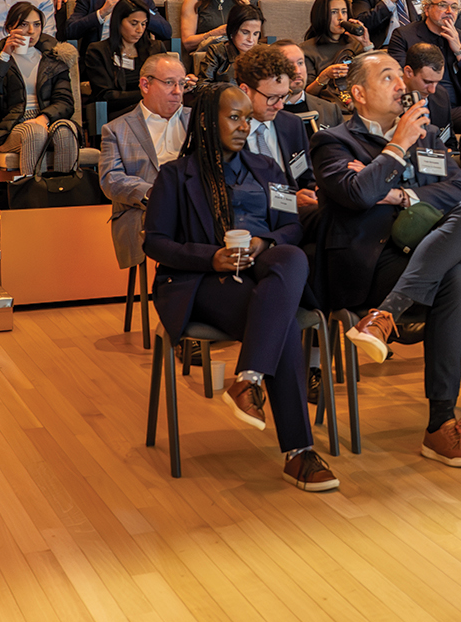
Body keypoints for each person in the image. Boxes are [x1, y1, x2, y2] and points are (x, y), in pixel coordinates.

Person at [142, 81, 333, 485]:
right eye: (234, 117)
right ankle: (299, 452)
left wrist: (266, 242)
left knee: (292, 256)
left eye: (248, 118)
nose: (245, 126)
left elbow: (292, 226)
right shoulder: (176, 175)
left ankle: (248, 379)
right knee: (282, 321)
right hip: (204, 281)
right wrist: (210, 257)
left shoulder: (267, 169)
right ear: (208, 121)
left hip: (266, 268)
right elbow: (155, 242)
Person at [313, 51, 461, 467]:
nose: (401, 85)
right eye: (387, 77)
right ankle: (440, 424)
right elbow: (357, 194)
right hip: (371, 264)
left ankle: (385, 316)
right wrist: (397, 147)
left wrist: (399, 195)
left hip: (425, 252)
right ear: (358, 94)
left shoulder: (426, 135)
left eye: (401, 77)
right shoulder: (333, 141)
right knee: (456, 280)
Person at [99, 51, 191, 285]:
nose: (178, 91)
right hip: (146, 209)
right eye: (169, 83)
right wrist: (154, 193)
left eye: (182, 83)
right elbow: (111, 180)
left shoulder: (197, 120)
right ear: (145, 85)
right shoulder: (116, 129)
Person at [0, 1, 78, 178]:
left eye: (37, 24)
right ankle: (32, 190)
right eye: (24, 24)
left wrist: (43, 118)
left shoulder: (53, 58)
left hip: (47, 120)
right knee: (34, 132)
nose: (31, 31)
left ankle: (63, 190)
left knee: (65, 129)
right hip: (12, 126)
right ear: (10, 28)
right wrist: (4, 56)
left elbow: (65, 101)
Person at [384, 0, 461, 136]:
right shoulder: (404, 35)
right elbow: (400, 78)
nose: (449, 11)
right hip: (419, 103)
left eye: (454, 7)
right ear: (427, 8)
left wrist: (459, 50)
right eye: (443, 5)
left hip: (454, 109)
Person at [233, 44, 319, 205]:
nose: (280, 106)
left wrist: (314, 192)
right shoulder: (228, 132)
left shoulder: (292, 124)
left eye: (284, 96)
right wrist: (290, 201)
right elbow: (237, 194)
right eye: (272, 98)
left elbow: (305, 176)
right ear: (245, 90)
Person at [83, 0, 167, 120]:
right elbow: (105, 95)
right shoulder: (98, 51)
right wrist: (149, 94)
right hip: (118, 114)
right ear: (118, 22)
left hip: (153, 111)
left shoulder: (156, 48)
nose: (139, 30)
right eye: (134, 23)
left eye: (143, 24)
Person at [303, 0, 369, 90]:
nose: (341, 18)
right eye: (334, 12)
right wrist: (325, 76)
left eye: (344, 12)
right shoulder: (307, 50)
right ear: (322, 16)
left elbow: (374, 76)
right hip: (326, 99)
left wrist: (366, 44)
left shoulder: (356, 44)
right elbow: (307, 93)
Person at [273, 39, 342, 129]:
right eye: (288, 65)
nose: (297, 71)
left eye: (300, 63)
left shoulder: (330, 110)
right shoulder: (266, 112)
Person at [196, 4, 264, 86]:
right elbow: (202, 86)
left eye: (256, 34)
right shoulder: (217, 52)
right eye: (245, 33)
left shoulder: (264, 55)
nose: (251, 39)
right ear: (232, 30)